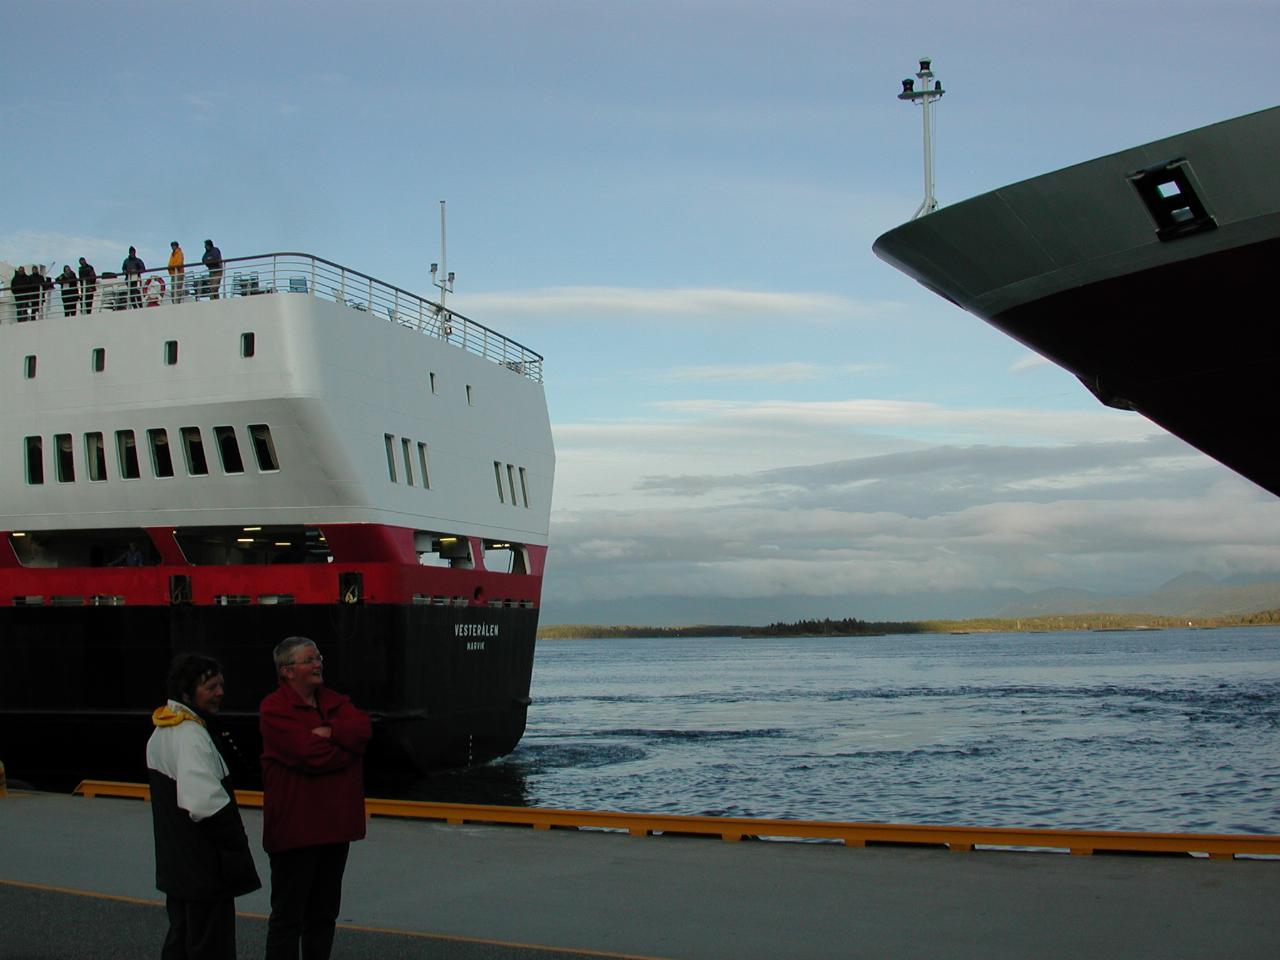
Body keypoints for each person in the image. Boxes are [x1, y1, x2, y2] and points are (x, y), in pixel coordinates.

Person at [260, 636, 370, 960]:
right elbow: (309, 754)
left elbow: (363, 729)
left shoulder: (333, 701)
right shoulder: (274, 709)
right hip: (296, 832)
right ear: (287, 671)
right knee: (287, 917)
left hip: (334, 830)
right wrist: (347, 750)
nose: (318, 663)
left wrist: (332, 734)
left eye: (318, 657)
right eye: (309, 659)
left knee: (323, 915)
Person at [147, 652, 261, 960]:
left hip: (178, 865)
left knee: (182, 938)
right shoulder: (191, 736)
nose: (220, 693)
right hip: (204, 868)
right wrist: (236, 841)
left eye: (221, 685)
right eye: (211, 687)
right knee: (211, 946)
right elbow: (203, 803)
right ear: (186, 693)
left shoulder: (163, 730)